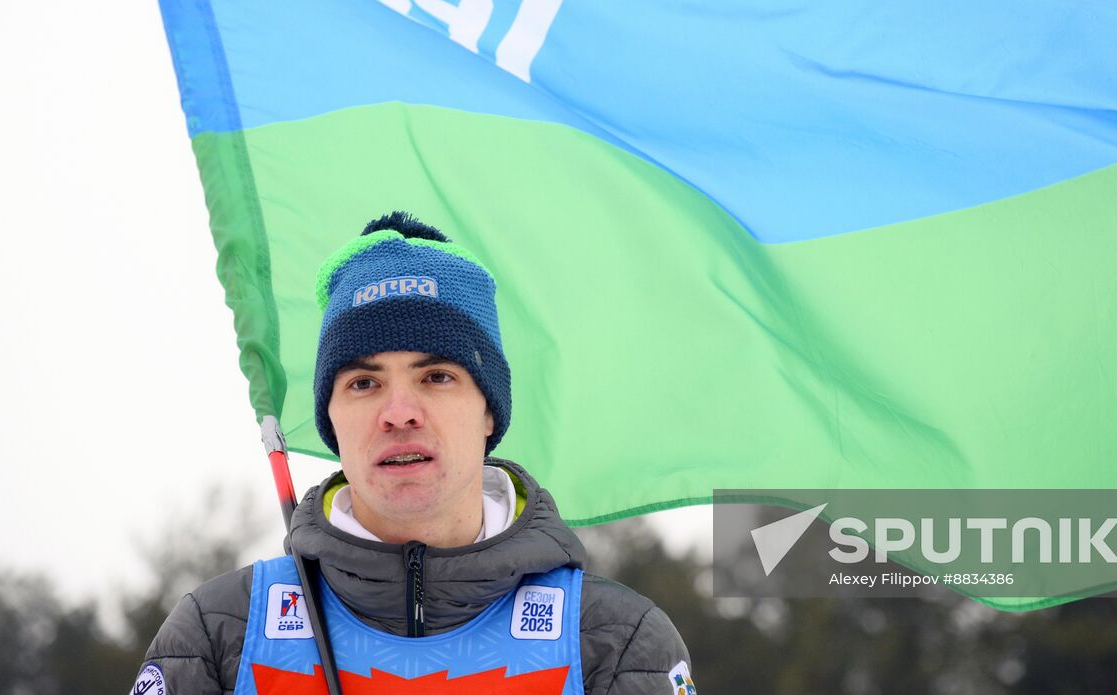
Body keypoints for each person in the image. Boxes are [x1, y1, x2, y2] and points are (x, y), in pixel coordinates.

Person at [131, 212, 696, 695]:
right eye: (364, 383)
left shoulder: (612, 640)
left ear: (489, 411)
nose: (399, 411)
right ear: (331, 417)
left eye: (436, 376)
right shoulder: (220, 635)